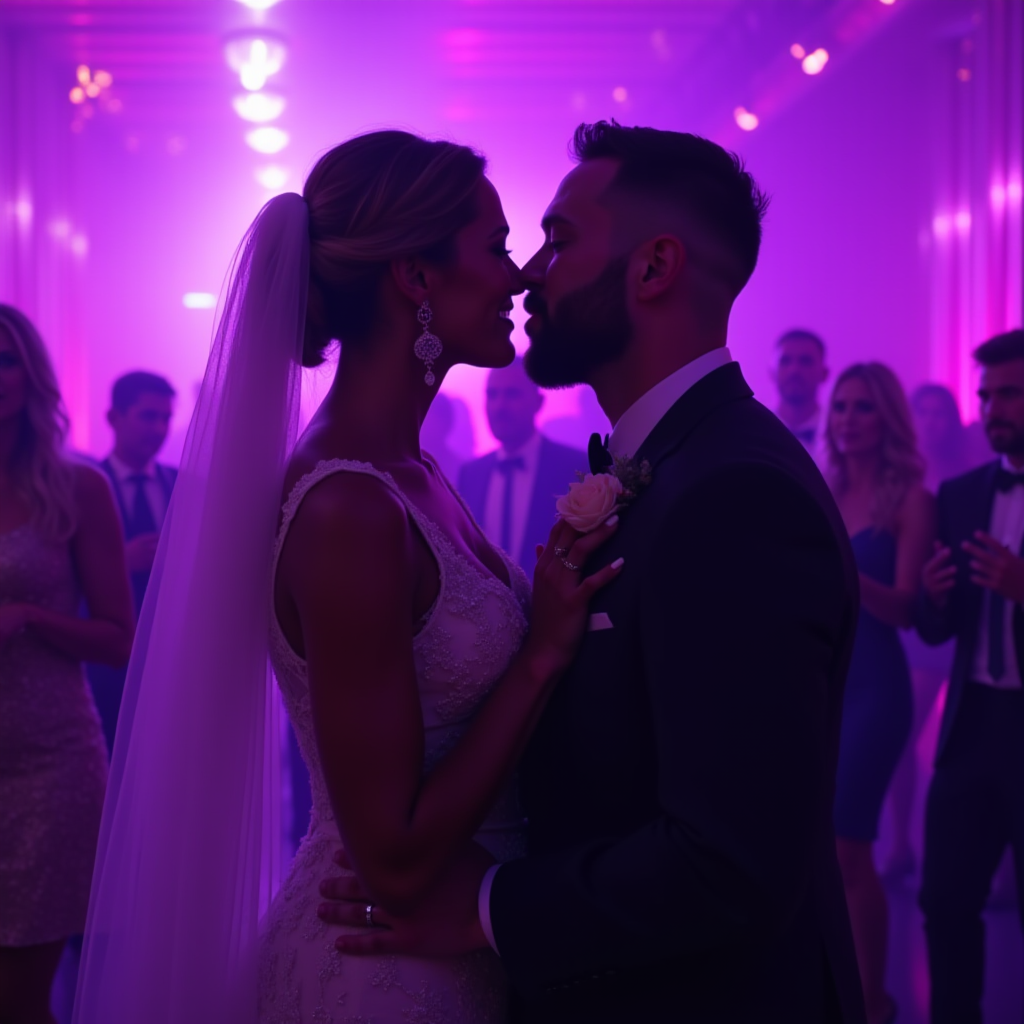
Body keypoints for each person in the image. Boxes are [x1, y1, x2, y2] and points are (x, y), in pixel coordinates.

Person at [320, 122, 866, 1023]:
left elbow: (729, 859)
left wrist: (491, 905)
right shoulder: (669, 465)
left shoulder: (733, 494)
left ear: (653, 269)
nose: (530, 273)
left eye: (558, 240)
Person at [73, 131, 623, 1024]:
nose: (520, 276)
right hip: (386, 974)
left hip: (461, 949)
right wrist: (539, 656)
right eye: (494, 248)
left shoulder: (413, 472)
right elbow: (394, 856)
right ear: (414, 276)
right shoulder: (349, 510)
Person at [0, 305, 134, 1024]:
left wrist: (29, 617)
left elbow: (120, 637)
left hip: (50, 767)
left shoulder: (78, 489)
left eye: (4, 359)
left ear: (31, 377)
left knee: (18, 999)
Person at [916, 328, 1024, 1024]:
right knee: (944, 902)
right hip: (972, 725)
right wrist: (931, 594)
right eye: (985, 395)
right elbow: (936, 630)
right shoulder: (959, 493)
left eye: (1009, 394)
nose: (991, 409)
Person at [823, 362, 935, 1024]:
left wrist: (842, 568)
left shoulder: (912, 499)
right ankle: (840, 986)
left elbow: (906, 609)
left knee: (849, 845)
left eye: (863, 408)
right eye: (842, 407)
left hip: (877, 687)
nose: (848, 419)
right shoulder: (824, 485)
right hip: (824, 682)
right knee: (820, 847)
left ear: (886, 418)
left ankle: (874, 999)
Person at [885, 383, 991, 877]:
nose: (930, 419)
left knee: (982, 746)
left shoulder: (972, 474)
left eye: (938, 411)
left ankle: (994, 865)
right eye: (920, 411)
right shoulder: (901, 479)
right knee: (905, 735)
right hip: (923, 618)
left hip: (970, 614)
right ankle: (902, 842)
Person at [86, 371, 176, 753]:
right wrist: (120, 560)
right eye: (147, 416)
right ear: (114, 418)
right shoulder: (84, 486)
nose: (158, 428)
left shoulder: (184, 485)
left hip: (174, 659)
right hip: (106, 664)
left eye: (165, 418)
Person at [458, 357, 586, 571]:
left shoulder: (575, 468)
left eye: (512, 394)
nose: (499, 406)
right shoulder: (471, 474)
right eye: (492, 395)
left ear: (539, 402)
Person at [774, 328, 829, 449]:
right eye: (785, 361)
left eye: (805, 361)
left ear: (824, 373)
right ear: (772, 372)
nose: (794, 370)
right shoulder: (754, 428)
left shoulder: (838, 432)